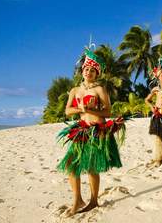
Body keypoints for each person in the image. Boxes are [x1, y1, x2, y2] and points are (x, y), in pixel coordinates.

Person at [56, 49, 125, 216]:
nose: (89, 72)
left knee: (93, 168)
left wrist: (91, 110)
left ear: (97, 73)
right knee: (71, 166)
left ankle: (94, 201)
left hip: (97, 132)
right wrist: (80, 108)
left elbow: (108, 112)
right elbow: (67, 111)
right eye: (87, 69)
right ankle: (78, 199)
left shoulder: (100, 89)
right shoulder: (74, 91)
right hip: (81, 131)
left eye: (93, 70)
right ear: (82, 70)